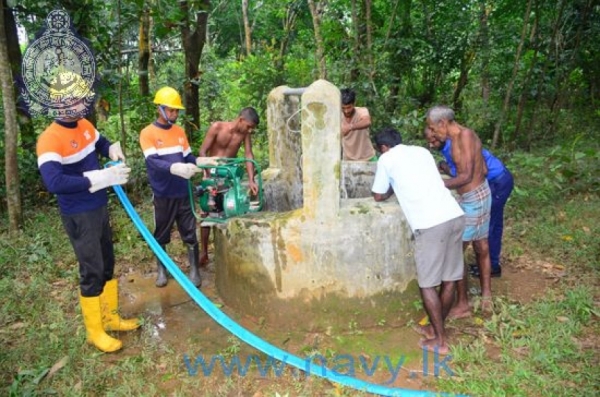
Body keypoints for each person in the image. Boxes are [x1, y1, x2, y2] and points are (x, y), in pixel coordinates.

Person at [37, 73, 140, 353]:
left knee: (107, 261)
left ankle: (110, 316)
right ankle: (95, 331)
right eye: (76, 98)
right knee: (91, 268)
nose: (82, 102)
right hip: (78, 213)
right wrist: (100, 179)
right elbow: (54, 182)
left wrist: (111, 148)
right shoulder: (49, 139)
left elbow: (100, 143)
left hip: (98, 208)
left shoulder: (83, 125)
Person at [372, 127, 465, 355]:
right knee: (450, 278)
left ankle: (440, 342)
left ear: (383, 147)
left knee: (427, 284)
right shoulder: (422, 152)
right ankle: (436, 330)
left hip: (430, 224)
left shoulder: (386, 159)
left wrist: (392, 188)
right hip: (454, 215)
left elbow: (377, 195)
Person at [139, 86, 216, 288]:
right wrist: (174, 167)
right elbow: (153, 161)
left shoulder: (179, 132)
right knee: (162, 232)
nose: (175, 114)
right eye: (171, 110)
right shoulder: (148, 133)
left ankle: (194, 270)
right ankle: (162, 270)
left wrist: (202, 161)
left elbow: (188, 156)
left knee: (189, 231)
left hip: (184, 192)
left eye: (176, 110)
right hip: (163, 193)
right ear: (160, 109)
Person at [426, 105, 493, 318]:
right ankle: (486, 297)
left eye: (433, 129)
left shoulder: (465, 137)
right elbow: (483, 169)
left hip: (474, 200)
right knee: (481, 246)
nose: (433, 133)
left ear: (442, 123)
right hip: (477, 196)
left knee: (455, 253)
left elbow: (464, 176)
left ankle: (463, 303)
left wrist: (435, 185)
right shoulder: (458, 139)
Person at [424, 127, 514, 278]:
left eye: (433, 140)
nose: (431, 145)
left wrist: (443, 169)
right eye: (429, 142)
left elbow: (465, 174)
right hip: (499, 177)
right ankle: (491, 262)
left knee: (489, 223)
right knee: (493, 223)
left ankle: (492, 266)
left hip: (496, 181)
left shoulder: (453, 146)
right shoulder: (453, 144)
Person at [197, 107, 260, 265]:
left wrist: (251, 179)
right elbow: (203, 151)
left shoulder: (244, 134)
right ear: (241, 120)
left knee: (228, 208)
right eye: (249, 126)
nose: (250, 130)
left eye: (252, 128)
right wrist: (206, 173)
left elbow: (248, 154)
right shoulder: (217, 127)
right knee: (207, 211)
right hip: (211, 172)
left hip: (228, 174)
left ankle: (228, 255)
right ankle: (204, 252)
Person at [340, 88, 377, 161]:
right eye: (343, 108)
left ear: (354, 104)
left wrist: (350, 127)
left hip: (368, 157)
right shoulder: (338, 115)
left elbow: (367, 121)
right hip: (348, 159)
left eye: (349, 107)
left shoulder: (362, 111)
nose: (346, 111)